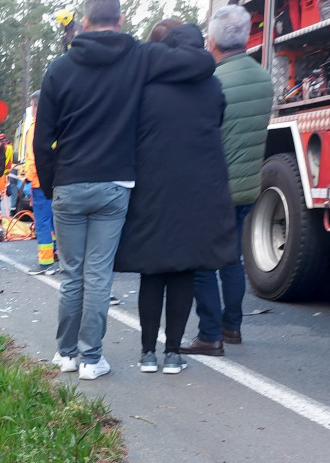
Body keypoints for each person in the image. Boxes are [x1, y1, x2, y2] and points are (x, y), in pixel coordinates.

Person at [33, 0, 216, 380]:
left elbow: (41, 139)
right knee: (98, 275)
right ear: (121, 19)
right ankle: (91, 359)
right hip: (114, 183)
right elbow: (201, 64)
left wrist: (51, 185)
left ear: (84, 22)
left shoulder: (59, 68)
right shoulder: (137, 55)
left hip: (68, 180)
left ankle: (65, 354)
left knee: (71, 275)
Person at [113, 20, 237, 374]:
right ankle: (172, 354)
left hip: (152, 188)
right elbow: (218, 123)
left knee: (152, 274)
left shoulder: (146, 86)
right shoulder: (213, 87)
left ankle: (147, 353)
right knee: (183, 272)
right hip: (196, 192)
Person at [181, 5, 274, 356]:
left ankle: (209, 335)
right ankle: (232, 326)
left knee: (203, 263)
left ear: (213, 39)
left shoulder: (213, 83)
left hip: (214, 188)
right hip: (249, 185)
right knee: (231, 259)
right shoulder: (263, 78)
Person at [23, 90, 57, 276]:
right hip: (55, 181)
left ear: (36, 106)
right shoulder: (56, 124)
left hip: (39, 182)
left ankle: (46, 263)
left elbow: (35, 158)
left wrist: (32, 179)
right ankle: (55, 254)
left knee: (43, 222)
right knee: (54, 222)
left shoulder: (36, 127)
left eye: (31, 105)